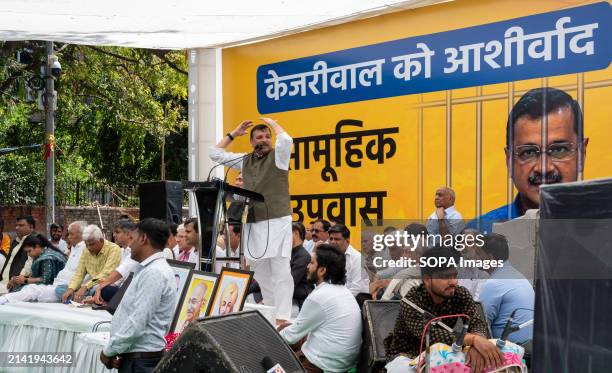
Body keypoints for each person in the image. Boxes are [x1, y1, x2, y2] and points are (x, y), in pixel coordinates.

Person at [209, 117, 294, 324]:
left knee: (281, 271)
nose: (264, 140)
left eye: (267, 136)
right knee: (261, 271)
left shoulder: (279, 157)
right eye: (259, 137)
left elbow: (286, 139)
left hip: (277, 220)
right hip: (254, 222)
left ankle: (283, 317)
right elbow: (214, 154)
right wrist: (233, 134)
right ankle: (272, 311)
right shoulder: (244, 160)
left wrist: (273, 124)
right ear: (251, 141)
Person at [469, 87, 587, 233]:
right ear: (509, 161)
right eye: (529, 152)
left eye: (559, 150)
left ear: (582, 153)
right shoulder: (475, 234)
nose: (544, 168)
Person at [384, 246, 503, 373]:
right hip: (409, 356)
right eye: (445, 277)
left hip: (446, 353)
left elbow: (477, 321)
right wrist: (472, 340)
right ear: (427, 280)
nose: (453, 282)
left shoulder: (459, 293)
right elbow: (431, 335)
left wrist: (477, 344)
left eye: (455, 275)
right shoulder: (411, 301)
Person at [100, 218, 178, 373]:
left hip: (141, 362)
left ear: (143, 239)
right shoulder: (146, 269)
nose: (130, 244)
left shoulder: (154, 272)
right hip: (135, 357)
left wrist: (108, 351)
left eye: (133, 238)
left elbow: (137, 322)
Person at [278, 244, 362, 373]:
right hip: (341, 361)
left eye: (311, 263)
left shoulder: (319, 296)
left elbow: (290, 337)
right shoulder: (343, 291)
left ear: (322, 270)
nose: (307, 267)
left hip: (322, 366)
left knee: (278, 337)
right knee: (285, 327)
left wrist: (267, 336)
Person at [0, 221, 88, 304]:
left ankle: (5, 299)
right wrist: (21, 279)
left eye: (71, 234)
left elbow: (47, 280)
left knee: (30, 289)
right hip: (58, 285)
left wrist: (26, 280)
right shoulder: (75, 248)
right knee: (25, 288)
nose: (68, 237)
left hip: (64, 288)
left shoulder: (48, 258)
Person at [478, 233, 534, 344]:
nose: (475, 258)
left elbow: (479, 322)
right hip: (530, 344)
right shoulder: (518, 275)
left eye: (478, 254)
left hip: (509, 350)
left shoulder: (494, 283)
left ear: (490, 258)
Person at [249, 222, 313, 311]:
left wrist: (265, 301)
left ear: (296, 233)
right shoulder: (284, 253)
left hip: (295, 301)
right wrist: (245, 290)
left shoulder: (303, 256)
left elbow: (288, 283)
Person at [61, 225, 121, 303]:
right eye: (86, 244)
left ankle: (86, 297)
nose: (89, 248)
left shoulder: (114, 249)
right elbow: (79, 273)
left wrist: (85, 287)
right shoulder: (86, 250)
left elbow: (106, 274)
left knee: (104, 290)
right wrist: (71, 289)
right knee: (62, 289)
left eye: (92, 244)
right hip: (90, 286)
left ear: (101, 240)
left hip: (103, 285)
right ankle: (83, 297)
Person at [91, 220, 139, 304]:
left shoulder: (134, 251)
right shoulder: (120, 251)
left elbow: (120, 272)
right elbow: (113, 274)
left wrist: (101, 287)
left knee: (104, 290)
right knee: (96, 288)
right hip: (119, 288)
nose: (114, 235)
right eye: (114, 232)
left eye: (117, 232)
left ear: (129, 234)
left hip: (130, 292)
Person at [328, 224, 370, 307]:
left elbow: (356, 288)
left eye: (337, 239)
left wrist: (336, 302)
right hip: (336, 300)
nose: (332, 242)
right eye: (331, 239)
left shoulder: (357, 258)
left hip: (355, 302)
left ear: (347, 240)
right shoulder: (331, 256)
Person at [0, 215, 35, 294]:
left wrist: (17, 280)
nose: (17, 228)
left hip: (13, 285)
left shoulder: (33, 241)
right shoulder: (15, 241)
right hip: (3, 281)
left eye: (21, 225)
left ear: (31, 227)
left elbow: (28, 265)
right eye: (16, 225)